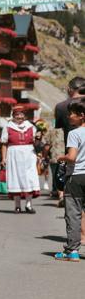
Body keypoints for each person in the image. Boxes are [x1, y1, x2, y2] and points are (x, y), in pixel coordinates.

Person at [55, 100, 85, 261]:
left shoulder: (74, 133)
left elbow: (72, 158)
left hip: (77, 177)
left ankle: (72, 251)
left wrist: (61, 157)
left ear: (81, 116)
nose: (69, 116)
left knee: (73, 213)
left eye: (72, 113)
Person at [1, 106, 40, 213]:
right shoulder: (8, 127)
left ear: (25, 116)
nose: (19, 117)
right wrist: (4, 158)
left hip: (29, 154)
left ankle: (29, 205)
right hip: (14, 155)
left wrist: (38, 138)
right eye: (17, 115)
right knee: (16, 178)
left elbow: (36, 143)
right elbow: (4, 144)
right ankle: (17, 205)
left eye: (21, 114)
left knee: (29, 178)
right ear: (13, 116)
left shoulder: (31, 127)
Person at [54, 77, 85, 206]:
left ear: (70, 89)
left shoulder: (61, 106)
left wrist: (60, 157)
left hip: (73, 149)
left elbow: (60, 129)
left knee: (75, 203)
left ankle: (64, 196)